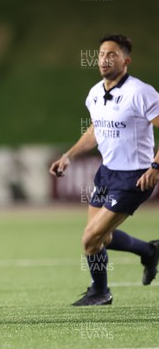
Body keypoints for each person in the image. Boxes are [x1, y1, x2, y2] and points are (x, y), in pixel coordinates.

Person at [50, 34, 159, 306]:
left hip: (135, 177)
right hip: (107, 173)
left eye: (112, 54)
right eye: (101, 54)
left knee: (90, 239)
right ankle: (149, 251)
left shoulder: (140, 92)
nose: (104, 59)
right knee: (101, 239)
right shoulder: (96, 93)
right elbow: (96, 131)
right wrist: (68, 156)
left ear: (126, 60)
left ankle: (100, 292)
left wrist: (156, 166)